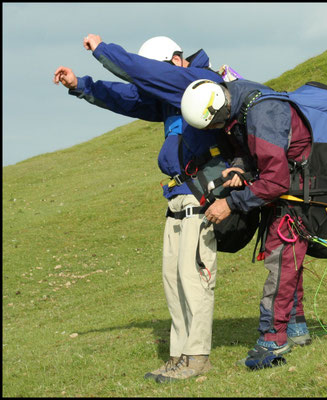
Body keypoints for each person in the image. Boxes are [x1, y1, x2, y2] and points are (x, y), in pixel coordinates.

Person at [53, 34, 245, 383]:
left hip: (202, 198)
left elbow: (139, 74)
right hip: (176, 200)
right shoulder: (171, 98)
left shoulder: (195, 83)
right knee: (173, 281)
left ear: (174, 63)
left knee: (194, 279)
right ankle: (178, 356)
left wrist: (102, 50)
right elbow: (128, 96)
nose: (151, 79)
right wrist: (80, 84)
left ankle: (198, 357)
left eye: (156, 71)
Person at [180, 78, 313, 370]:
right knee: (289, 260)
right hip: (287, 190)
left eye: (215, 126)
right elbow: (252, 148)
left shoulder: (262, 113)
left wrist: (230, 203)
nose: (216, 131)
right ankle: (296, 327)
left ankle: (272, 340)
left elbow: (276, 179)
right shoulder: (237, 102)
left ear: (219, 110)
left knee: (281, 261)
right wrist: (240, 165)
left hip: (295, 194)